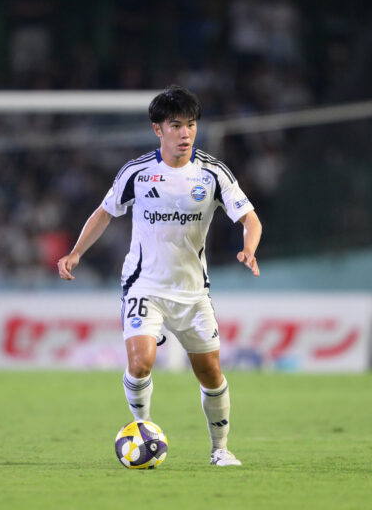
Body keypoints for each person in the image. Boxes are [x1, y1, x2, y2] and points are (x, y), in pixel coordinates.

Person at [57, 85, 262, 466]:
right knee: (140, 364)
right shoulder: (137, 172)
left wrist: (249, 248)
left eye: (191, 125)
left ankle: (220, 449)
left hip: (192, 292)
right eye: (176, 125)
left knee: (210, 373)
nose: (186, 133)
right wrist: (76, 252)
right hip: (144, 286)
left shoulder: (213, 172)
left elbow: (250, 218)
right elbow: (104, 212)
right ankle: (143, 430)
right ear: (158, 129)